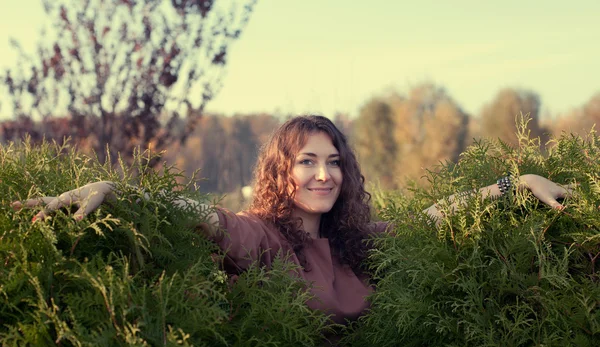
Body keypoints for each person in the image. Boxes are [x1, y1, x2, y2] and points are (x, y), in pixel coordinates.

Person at [11, 115, 574, 324]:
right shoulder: (258, 237)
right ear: (282, 173)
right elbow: (195, 214)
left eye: (333, 163)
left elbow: (434, 217)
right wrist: (118, 192)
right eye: (307, 162)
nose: (323, 175)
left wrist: (513, 185)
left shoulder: (361, 244)